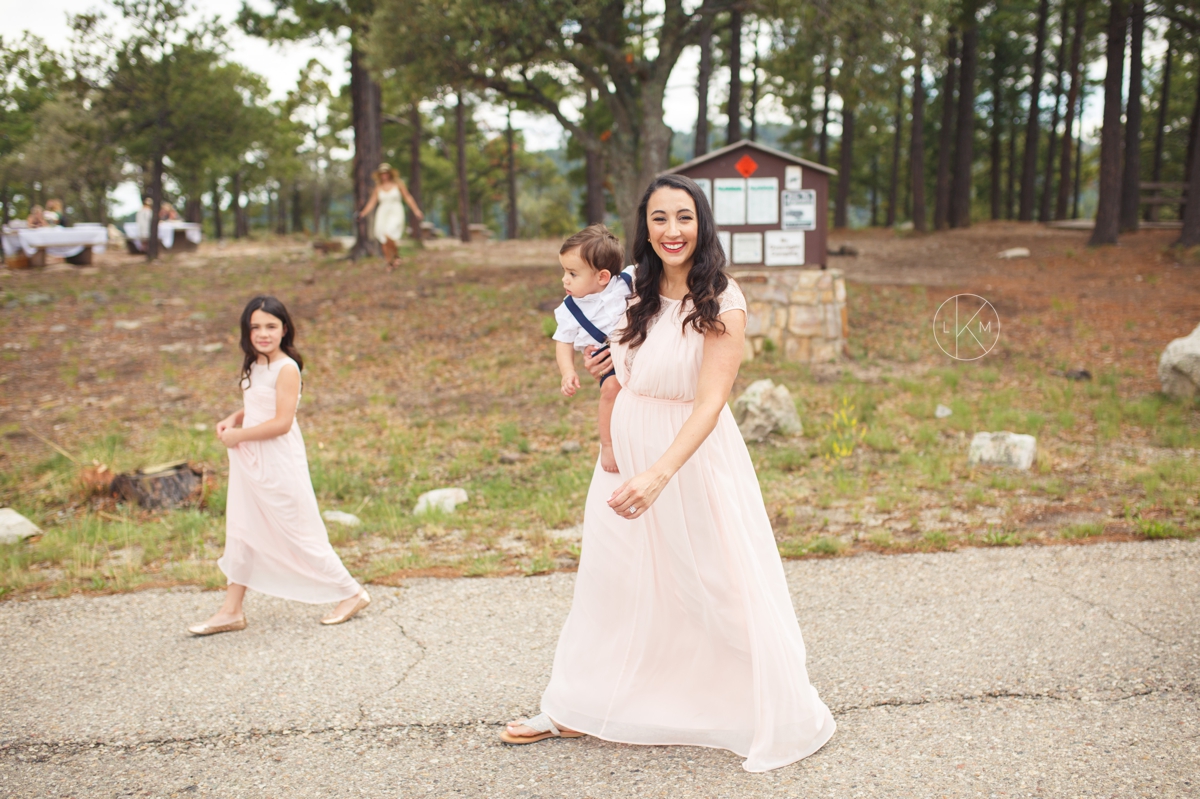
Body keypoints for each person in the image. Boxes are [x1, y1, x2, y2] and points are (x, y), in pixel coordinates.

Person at [501, 174, 836, 772]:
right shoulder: (634, 290)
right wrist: (606, 368)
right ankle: (577, 703)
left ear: (701, 223)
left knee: (712, 581)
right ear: (644, 227)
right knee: (612, 580)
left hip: (688, 458)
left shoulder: (722, 299)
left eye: (683, 217)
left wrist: (659, 473)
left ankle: (764, 700)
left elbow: (710, 401)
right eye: (659, 218)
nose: (671, 230)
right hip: (625, 454)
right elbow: (625, 369)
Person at [187, 295, 370, 635]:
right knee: (241, 529)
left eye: (271, 326)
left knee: (298, 531)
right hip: (250, 459)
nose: (263, 333)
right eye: (255, 327)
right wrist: (234, 418)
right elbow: (257, 403)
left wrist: (239, 435)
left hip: (277, 459)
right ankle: (231, 611)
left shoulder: (287, 368)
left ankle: (352, 592)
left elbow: (282, 422)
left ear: (285, 329)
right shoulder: (255, 363)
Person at [552, 225, 633, 473]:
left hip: (636, 350)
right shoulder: (570, 309)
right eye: (564, 271)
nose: (565, 279)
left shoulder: (627, 283)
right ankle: (607, 445)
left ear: (602, 277)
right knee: (610, 389)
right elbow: (563, 341)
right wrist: (567, 371)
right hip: (606, 358)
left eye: (573, 274)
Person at [357, 163, 423, 270]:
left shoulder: (398, 185)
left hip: (395, 211)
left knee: (389, 233)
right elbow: (372, 202)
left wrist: (416, 211)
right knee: (383, 238)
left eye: (386, 173)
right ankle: (389, 262)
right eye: (382, 173)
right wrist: (362, 213)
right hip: (382, 213)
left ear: (390, 174)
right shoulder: (378, 188)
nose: (384, 175)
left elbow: (408, 197)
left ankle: (396, 255)